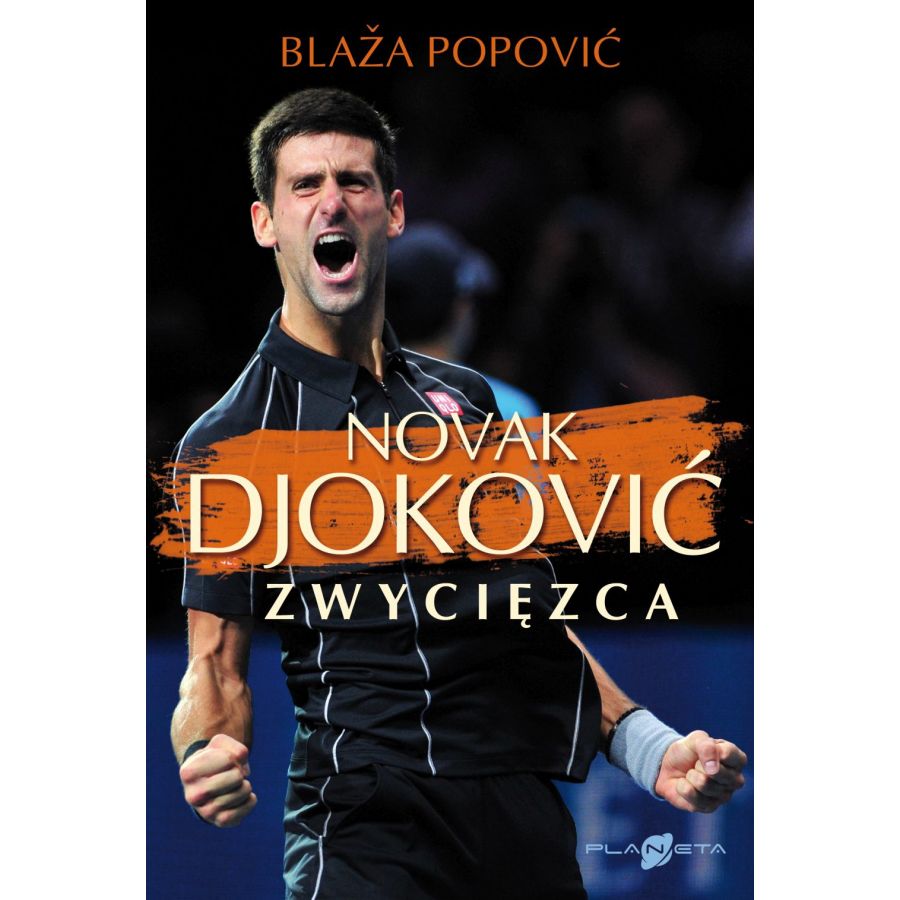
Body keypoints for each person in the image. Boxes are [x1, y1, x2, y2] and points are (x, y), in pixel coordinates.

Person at [170, 88, 747, 900]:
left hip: (520, 822)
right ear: (266, 222)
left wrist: (648, 746)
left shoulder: (468, 402)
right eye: (304, 184)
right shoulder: (232, 442)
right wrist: (207, 753)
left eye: (355, 181)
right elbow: (214, 668)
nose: (332, 200)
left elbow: (523, 620)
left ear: (393, 213)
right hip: (366, 830)